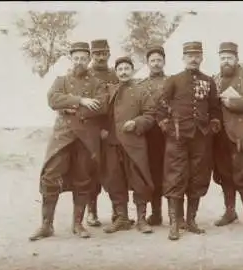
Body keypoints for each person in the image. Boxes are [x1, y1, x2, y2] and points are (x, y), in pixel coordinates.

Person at [29, 42, 108, 241]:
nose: (80, 62)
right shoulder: (61, 80)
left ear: (89, 59)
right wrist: (80, 101)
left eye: (83, 58)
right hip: (62, 136)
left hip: (86, 138)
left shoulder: (97, 83)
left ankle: (78, 224)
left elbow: (101, 106)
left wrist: (68, 109)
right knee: (50, 176)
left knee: (83, 178)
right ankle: (46, 225)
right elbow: (53, 99)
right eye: (76, 58)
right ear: (71, 59)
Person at [157, 41, 222, 241]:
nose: (193, 59)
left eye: (197, 55)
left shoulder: (208, 81)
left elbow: (214, 107)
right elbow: (160, 106)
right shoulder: (174, 80)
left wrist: (214, 123)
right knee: (175, 177)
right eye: (189, 55)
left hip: (201, 137)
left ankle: (191, 221)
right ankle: (175, 224)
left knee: (198, 176)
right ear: (183, 58)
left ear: (202, 58)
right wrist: (166, 126)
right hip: (177, 138)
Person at [212, 42, 243, 232]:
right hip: (220, 137)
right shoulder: (215, 78)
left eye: (230, 58)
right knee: (224, 176)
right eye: (223, 58)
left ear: (237, 59)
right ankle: (230, 212)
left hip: (241, 135)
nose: (226, 61)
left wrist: (233, 103)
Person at [103, 56, 157, 234]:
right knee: (114, 181)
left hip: (134, 145)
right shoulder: (109, 91)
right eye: (120, 69)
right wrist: (102, 130)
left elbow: (150, 115)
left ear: (132, 70)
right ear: (116, 72)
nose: (123, 72)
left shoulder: (141, 91)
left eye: (127, 68)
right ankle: (122, 218)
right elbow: (101, 114)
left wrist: (136, 123)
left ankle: (142, 219)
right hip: (112, 144)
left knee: (139, 181)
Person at [85, 39, 134, 227]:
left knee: (115, 171)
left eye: (103, 53)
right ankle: (92, 211)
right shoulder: (87, 75)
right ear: (91, 55)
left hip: (111, 130)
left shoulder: (115, 75)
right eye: (96, 53)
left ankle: (117, 212)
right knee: (92, 171)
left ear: (108, 53)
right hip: (90, 129)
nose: (100, 57)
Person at [137, 46, 182, 228]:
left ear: (164, 62)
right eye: (152, 60)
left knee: (174, 172)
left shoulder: (172, 82)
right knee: (154, 173)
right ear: (147, 63)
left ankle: (178, 216)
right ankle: (156, 214)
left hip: (170, 134)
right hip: (150, 135)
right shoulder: (140, 86)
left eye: (159, 60)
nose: (156, 63)